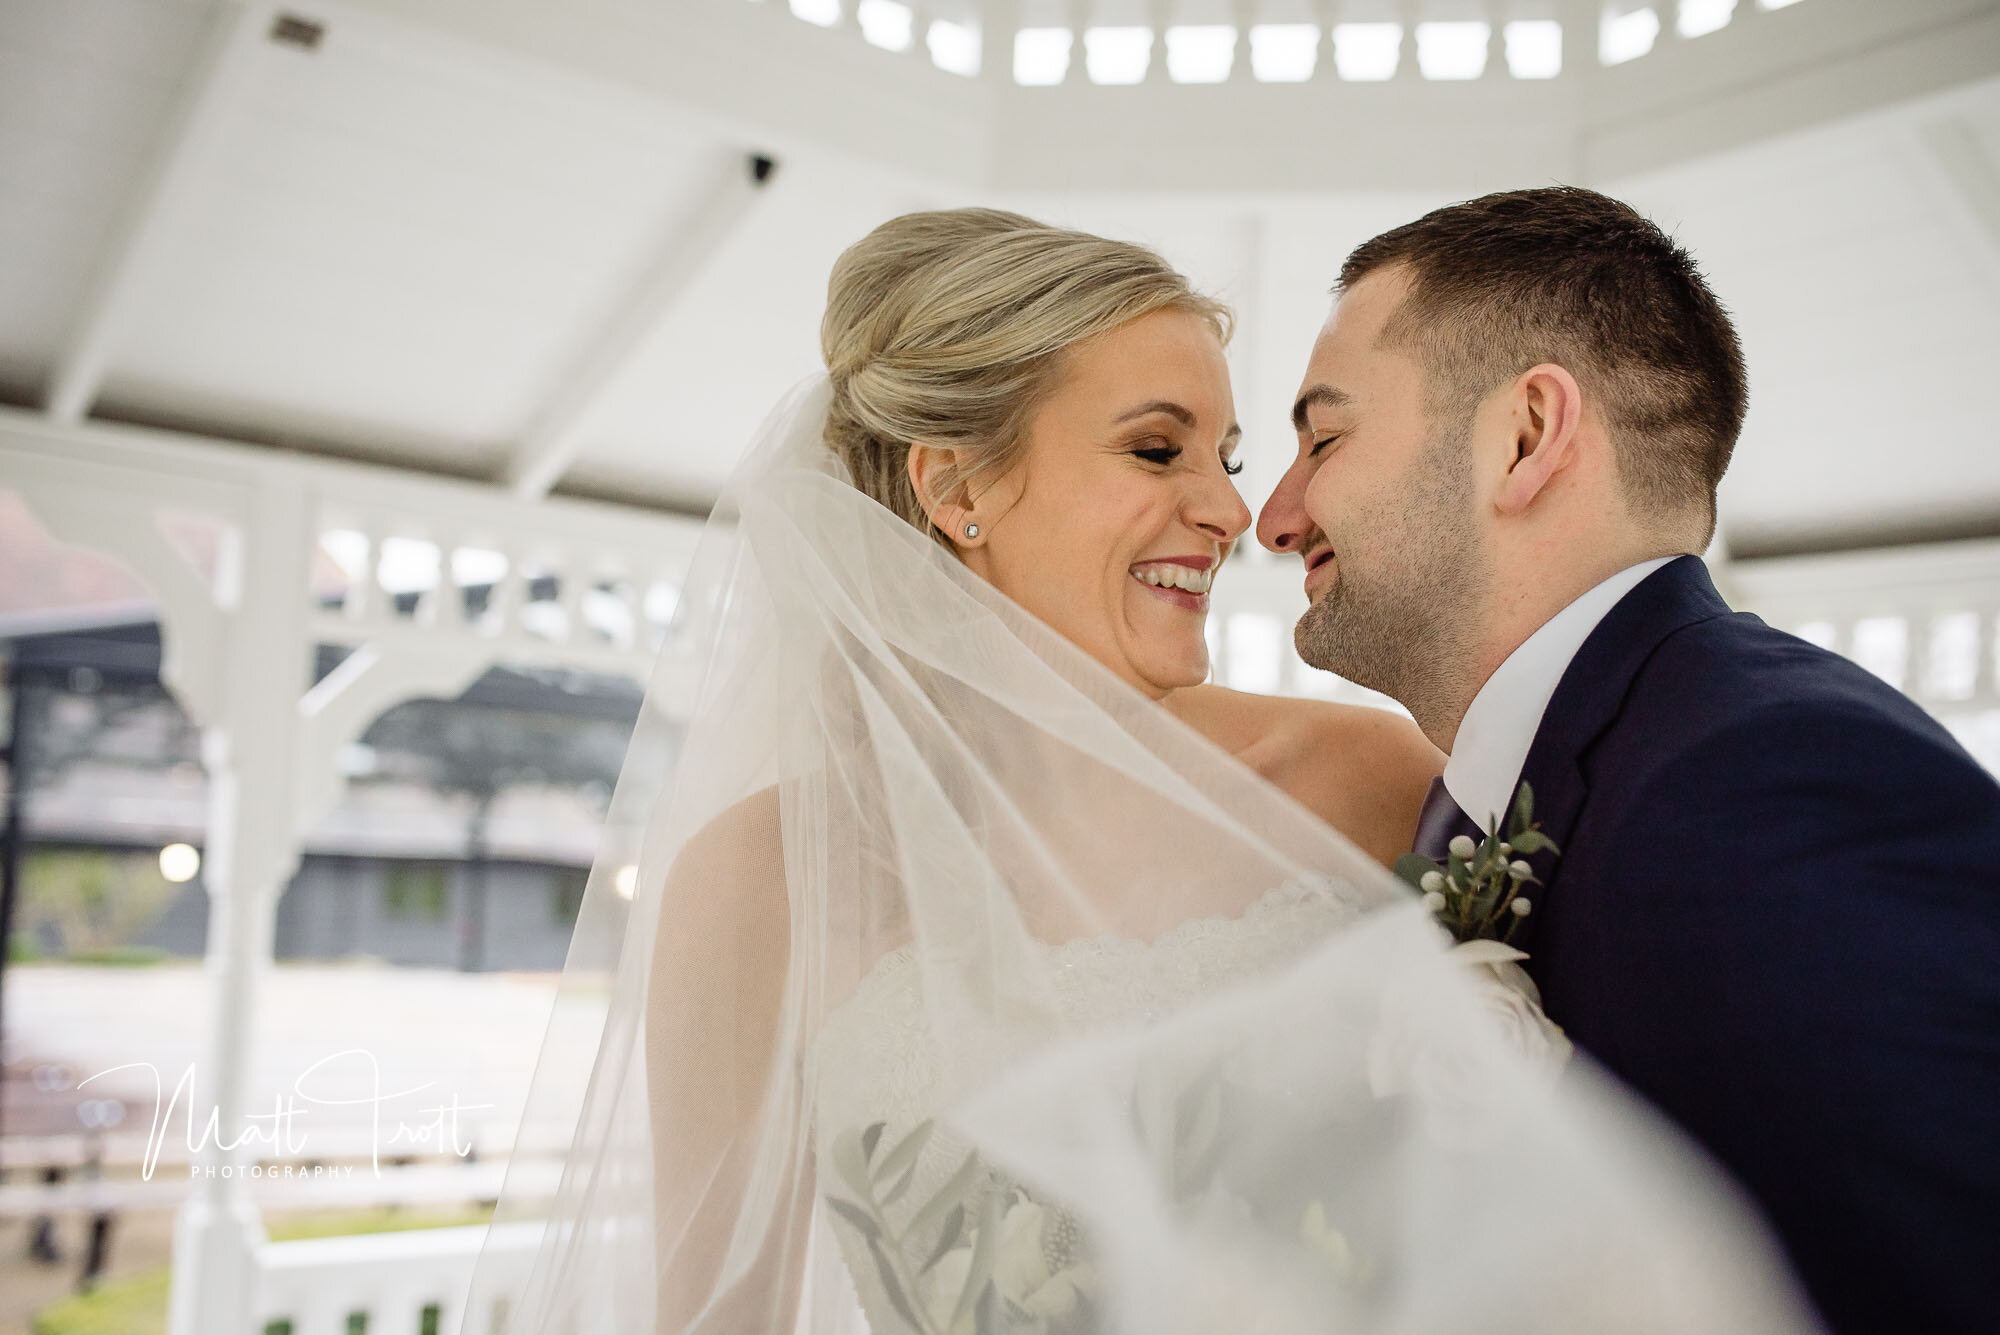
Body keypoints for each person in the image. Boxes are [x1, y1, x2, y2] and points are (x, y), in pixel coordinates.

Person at [466, 207, 1819, 1335]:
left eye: (1228, 460)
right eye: (1156, 449)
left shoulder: (1368, 780)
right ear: (958, 489)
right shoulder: (757, 881)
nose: (1237, 511)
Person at [1257, 185, 2000, 1335]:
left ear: (1522, 437)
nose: (1276, 512)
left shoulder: (1775, 781)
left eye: (1323, 437)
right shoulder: (1475, 808)